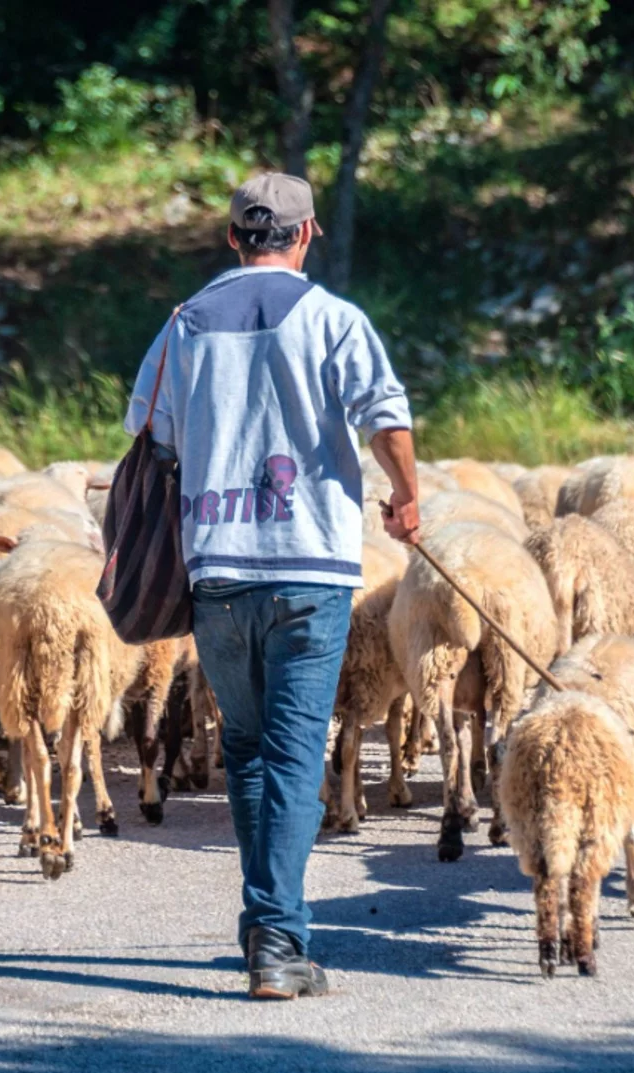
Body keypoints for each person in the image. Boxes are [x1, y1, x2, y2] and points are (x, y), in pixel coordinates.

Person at [124, 172, 420, 1000]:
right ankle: (279, 943)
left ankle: (265, 927)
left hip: (216, 568)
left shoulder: (183, 324)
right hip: (309, 566)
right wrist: (406, 498)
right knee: (293, 756)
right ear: (308, 233)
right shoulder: (334, 319)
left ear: (231, 238)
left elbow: (152, 435)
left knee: (250, 752)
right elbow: (386, 419)